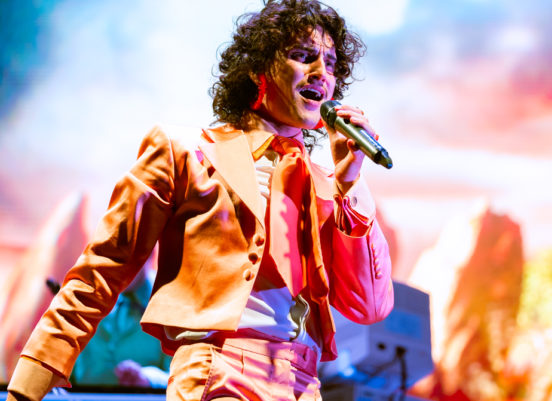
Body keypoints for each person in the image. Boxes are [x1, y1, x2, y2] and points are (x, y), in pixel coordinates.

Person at [7, 0, 394, 400]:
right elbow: (103, 269)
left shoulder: (324, 184)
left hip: (302, 382)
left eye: (330, 64)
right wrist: (29, 382)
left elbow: (369, 306)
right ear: (257, 68)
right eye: (303, 56)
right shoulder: (185, 152)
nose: (321, 73)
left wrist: (350, 182)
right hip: (218, 371)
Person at [70, 254, 170, 388]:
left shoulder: (173, 303)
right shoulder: (89, 299)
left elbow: (184, 380)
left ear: (149, 253)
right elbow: (83, 376)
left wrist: (148, 379)